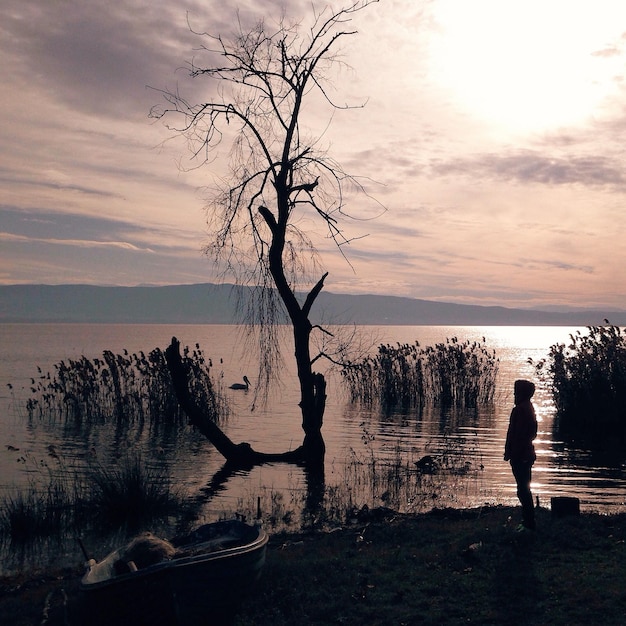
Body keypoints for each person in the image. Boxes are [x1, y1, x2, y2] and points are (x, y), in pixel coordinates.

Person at [504, 379, 538, 530]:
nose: (514, 393)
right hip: (526, 454)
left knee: (523, 489)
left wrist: (511, 453)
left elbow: (515, 434)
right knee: (524, 488)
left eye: (516, 391)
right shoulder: (529, 408)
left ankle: (529, 521)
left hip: (521, 455)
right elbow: (530, 433)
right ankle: (528, 519)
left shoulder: (519, 410)